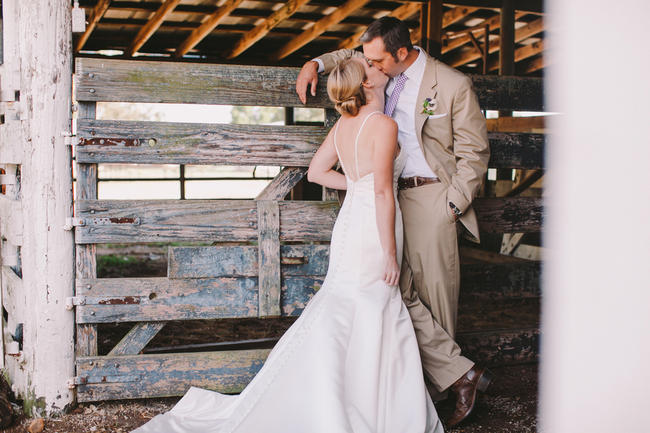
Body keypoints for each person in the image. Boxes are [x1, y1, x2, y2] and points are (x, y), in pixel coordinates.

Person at [132, 57, 443, 433]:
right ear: (368, 85)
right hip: (374, 227)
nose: (380, 68)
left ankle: (350, 396)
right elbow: (381, 191)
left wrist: (357, 185)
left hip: (351, 224)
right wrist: (390, 253)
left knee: (350, 304)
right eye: (373, 68)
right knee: (377, 303)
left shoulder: (345, 125)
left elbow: (317, 172)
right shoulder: (384, 125)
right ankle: (379, 408)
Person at [296, 16, 491, 427]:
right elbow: (347, 57)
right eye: (366, 59)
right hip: (385, 196)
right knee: (394, 291)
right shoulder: (374, 66)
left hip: (430, 195)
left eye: (376, 60)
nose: (369, 64)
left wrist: (452, 204)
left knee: (435, 297)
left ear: (400, 53)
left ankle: (441, 391)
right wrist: (314, 62)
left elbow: (475, 154)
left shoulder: (452, 85)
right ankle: (456, 377)